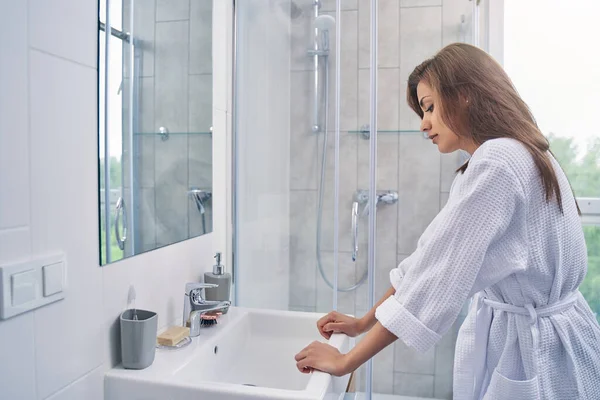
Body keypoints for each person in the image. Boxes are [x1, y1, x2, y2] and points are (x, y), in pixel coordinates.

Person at [294, 43, 600, 399]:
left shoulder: (498, 162)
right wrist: (364, 322)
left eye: (429, 107)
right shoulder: (524, 151)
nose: (424, 124)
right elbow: (428, 263)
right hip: (560, 338)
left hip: (533, 351)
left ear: (465, 95)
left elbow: (435, 279)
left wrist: (346, 361)